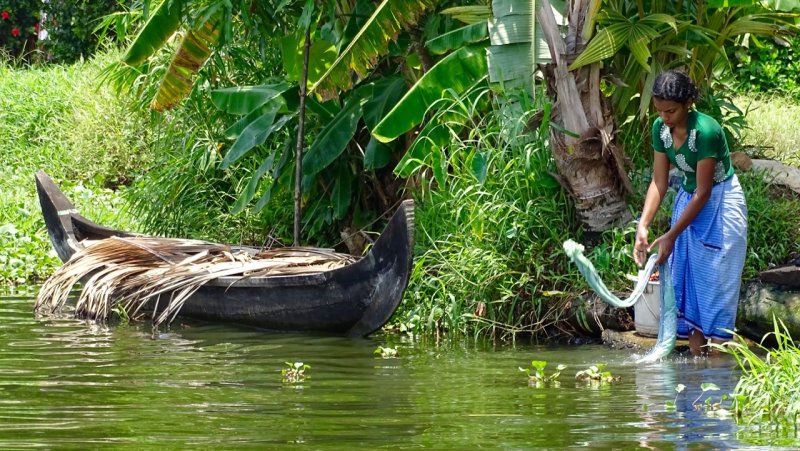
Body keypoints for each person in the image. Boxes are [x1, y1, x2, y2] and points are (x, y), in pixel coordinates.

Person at [633, 70, 748, 357]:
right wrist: (643, 226)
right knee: (692, 291)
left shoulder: (705, 131)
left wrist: (671, 235)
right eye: (659, 111)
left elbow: (704, 192)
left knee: (717, 288)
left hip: (720, 204)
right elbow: (659, 182)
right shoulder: (661, 130)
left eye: (670, 111)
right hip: (688, 201)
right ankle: (696, 380)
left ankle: (719, 378)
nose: (665, 117)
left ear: (688, 103)